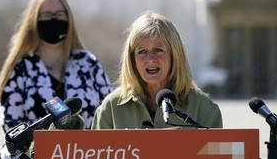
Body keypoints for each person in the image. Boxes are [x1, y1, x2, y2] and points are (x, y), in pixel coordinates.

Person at [0, 0, 113, 159]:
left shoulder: (89, 64)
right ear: (34, 21)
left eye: (59, 15)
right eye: (46, 16)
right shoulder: (20, 69)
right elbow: (11, 128)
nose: (53, 20)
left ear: (69, 20)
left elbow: (108, 114)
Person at [91, 11, 222, 130]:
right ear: (132, 60)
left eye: (158, 50)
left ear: (175, 55)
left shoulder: (203, 108)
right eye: (142, 52)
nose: (150, 59)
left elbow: (219, 154)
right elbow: (97, 154)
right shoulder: (111, 108)